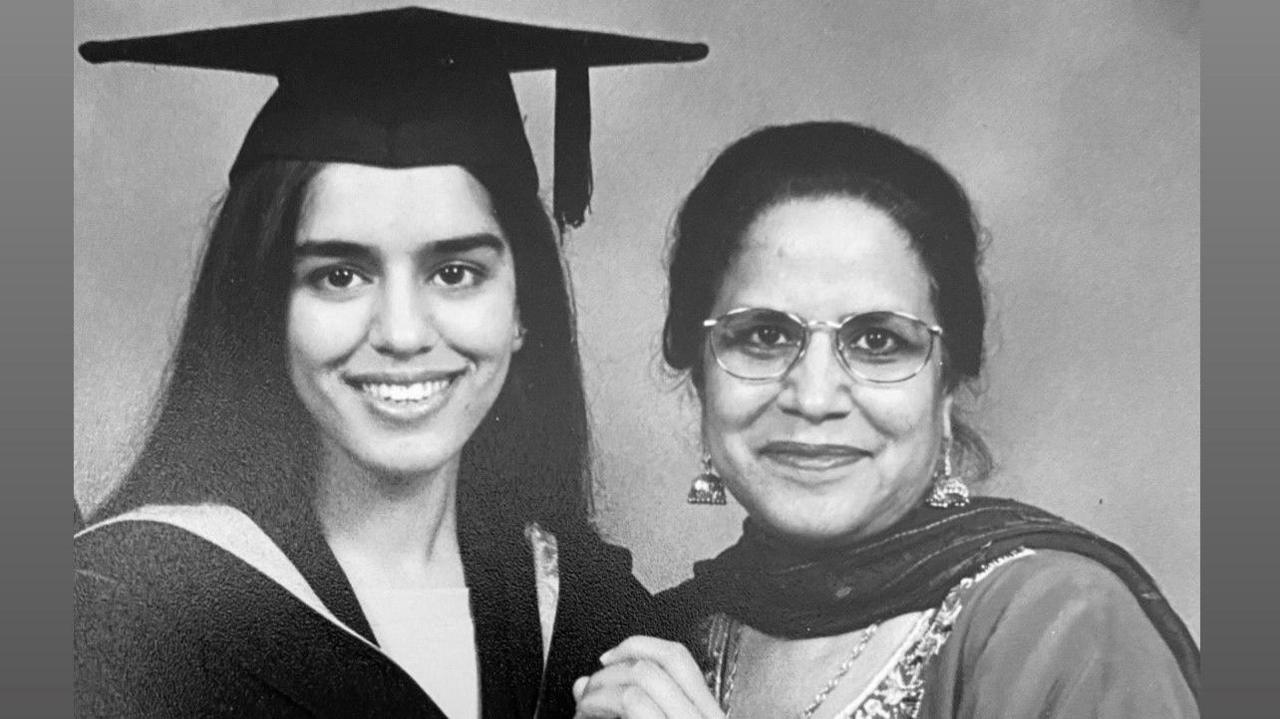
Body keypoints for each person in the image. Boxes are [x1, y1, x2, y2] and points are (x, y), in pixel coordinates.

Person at [73, 8, 706, 718]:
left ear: (524, 307)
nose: (402, 333)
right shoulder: (125, 615)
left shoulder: (596, 619)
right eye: (340, 274)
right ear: (266, 307)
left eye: (456, 271)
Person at [573, 122, 1199, 718]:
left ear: (946, 380)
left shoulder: (1058, 625)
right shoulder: (668, 637)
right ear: (698, 368)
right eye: (764, 334)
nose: (814, 397)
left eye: (877, 341)